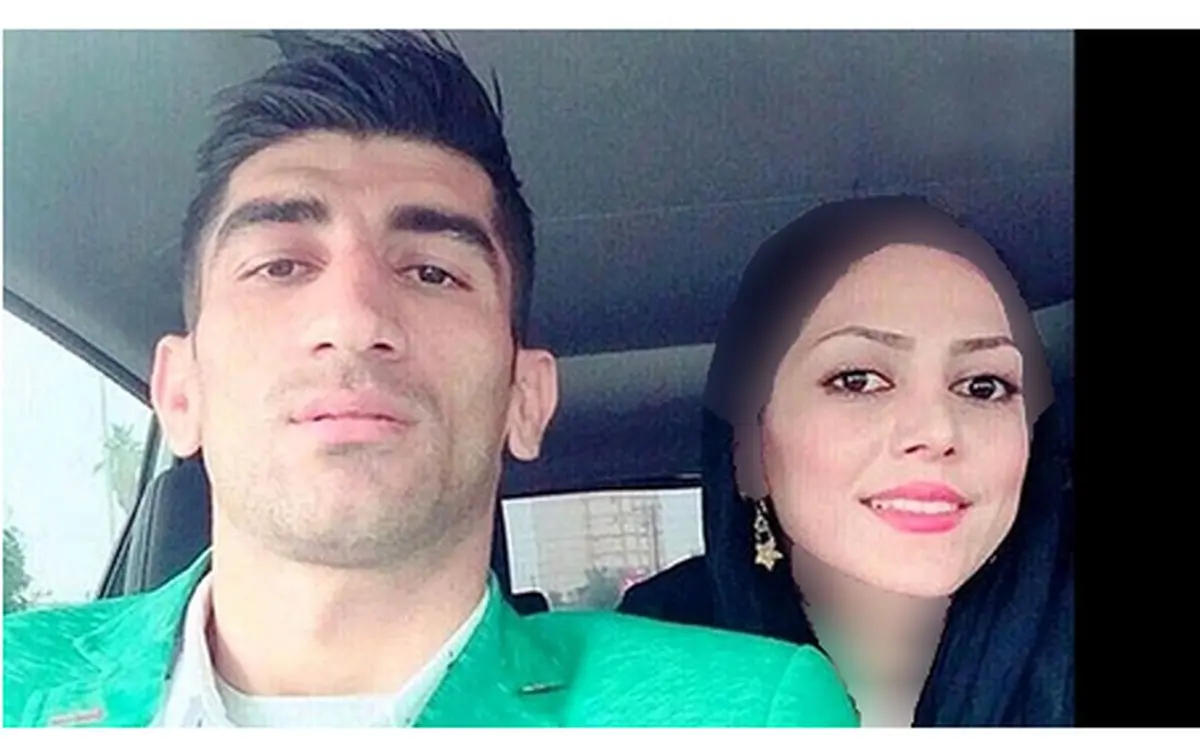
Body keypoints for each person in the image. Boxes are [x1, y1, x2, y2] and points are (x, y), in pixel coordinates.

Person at [2, 31, 858, 728]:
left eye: (431, 272)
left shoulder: (744, 711)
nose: (354, 319)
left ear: (525, 399)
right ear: (180, 390)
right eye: (280, 265)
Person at [620, 196, 1074, 726]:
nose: (937, 431)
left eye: (983, 386)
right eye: (858, 380)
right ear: (749, 451)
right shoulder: (651, 662)